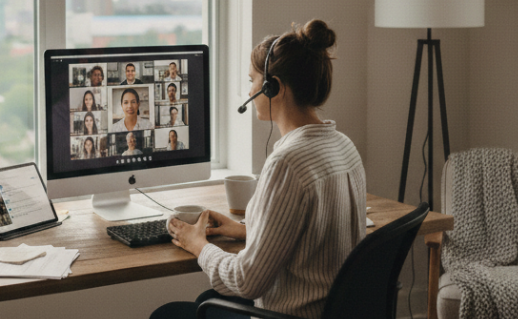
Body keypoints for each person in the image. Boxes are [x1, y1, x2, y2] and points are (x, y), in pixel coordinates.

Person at [151, 20, 366, 319]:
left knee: (168, 314)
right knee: (206, 299)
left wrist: (198, 245)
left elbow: (246, 281)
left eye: (252, 80)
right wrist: (243, 231)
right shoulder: (343, 146)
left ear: (272, 87)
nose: (250, 89)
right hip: (329, 311)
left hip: (291, 314)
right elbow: (313, 237)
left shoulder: (288, 164)